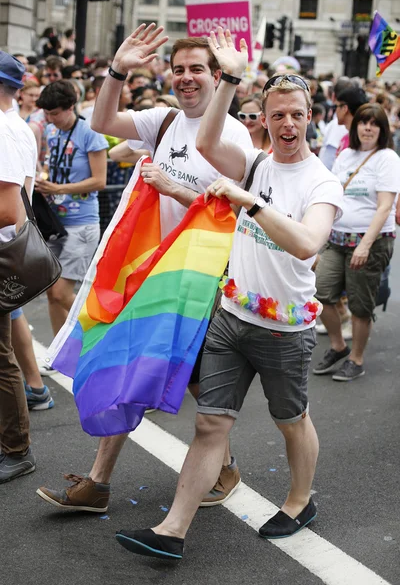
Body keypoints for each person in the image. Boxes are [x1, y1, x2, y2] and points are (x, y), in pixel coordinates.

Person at [113, 28, 343, 559]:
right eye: (277, 114)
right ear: (262, 118)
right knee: (211, 422)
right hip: (233, 317)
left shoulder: (321, 182)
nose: (287, 124)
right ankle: (172, 531)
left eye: (297, 115)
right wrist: (231, 80)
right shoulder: (256, 162)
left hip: (286, 329)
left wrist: (250, 203)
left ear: (310, 118)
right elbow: (206, 143)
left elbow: (307, 243)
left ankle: (299, 499)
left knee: (292, 421)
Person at [36, 23, 252, 513]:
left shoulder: (234, 136)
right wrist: (117, 68)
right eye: (178, 70)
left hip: (198, 282)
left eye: (198, 69)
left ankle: (222, 461)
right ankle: (100, 482)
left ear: (218, 77)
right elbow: (104, 120)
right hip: (146, 272)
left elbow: (238, 212)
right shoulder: (165, 120)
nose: (187, 78)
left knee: (178, 374)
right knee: (133, 363)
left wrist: (173, 189)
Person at [313, 103, 399, 381]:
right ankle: (338, 346)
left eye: (374, 124)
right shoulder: (346, 155)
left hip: (370, 243)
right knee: (320, 293)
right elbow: (333, 195)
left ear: (382, 129)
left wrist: (365, 244)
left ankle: (356, 358)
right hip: (336, 239)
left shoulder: (387, 158)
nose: (368, 128)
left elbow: (385, 207)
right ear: (355, 127)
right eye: (363, 122)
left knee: (361, 306)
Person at [34, 80, 108, 338]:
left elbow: (100, 180)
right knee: (52, 294)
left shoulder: (89, 132)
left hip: (82, 222)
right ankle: (59, 350)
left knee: (60, 293)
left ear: (71, 107)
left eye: (55, 113)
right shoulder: (53, 132)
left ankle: (100, 333)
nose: (51, 119)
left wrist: (57, 189)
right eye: (47, 114)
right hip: (55, 222)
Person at [0, 51, 36, 483]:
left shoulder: (5, 129)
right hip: (9, 253)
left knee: (1, 357)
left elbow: (9, 210)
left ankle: (17, 447)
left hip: (3, 252)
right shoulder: (17, 127)